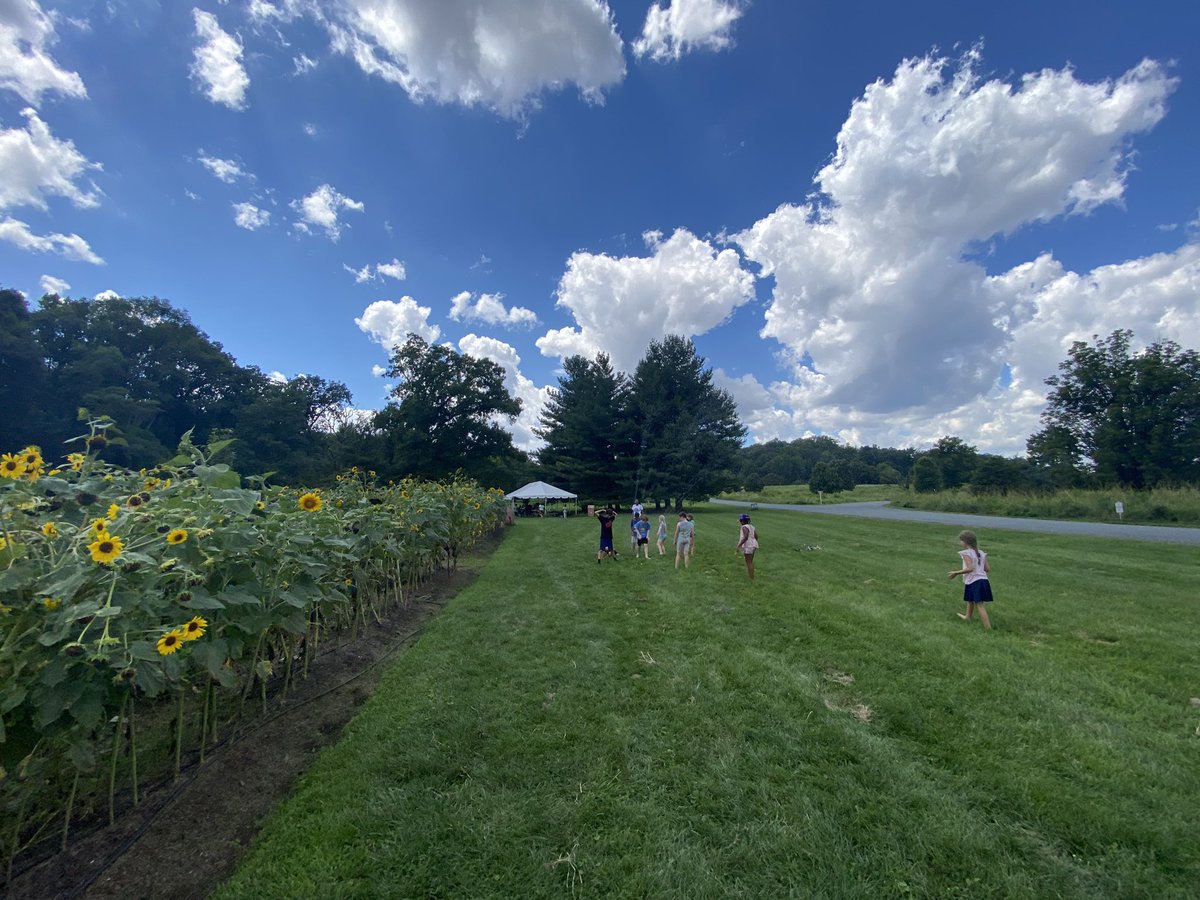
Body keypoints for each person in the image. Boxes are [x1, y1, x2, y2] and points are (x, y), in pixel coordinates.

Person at [948, 529, 992, 629]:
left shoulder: (966, 553)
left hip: (975, 581)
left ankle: (988, 628)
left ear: (965, 541)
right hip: (983, 580)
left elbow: (970, 568)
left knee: (979, 604)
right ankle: (968, 617)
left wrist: (956, 573)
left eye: (961, 540)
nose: (960, 543)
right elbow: (987, 569)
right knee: (970, 599)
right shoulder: (981, 553)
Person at [736, 513, 759, 580]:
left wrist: (739, 545)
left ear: (742, 521)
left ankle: (751, 578)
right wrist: (753, 542)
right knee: (750, 561)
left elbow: (745, 537)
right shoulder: (751, 527)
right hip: (753, 545)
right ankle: (751, 576)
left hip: (748, 545)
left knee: (748, 562)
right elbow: (756, 536)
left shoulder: (744, 527)